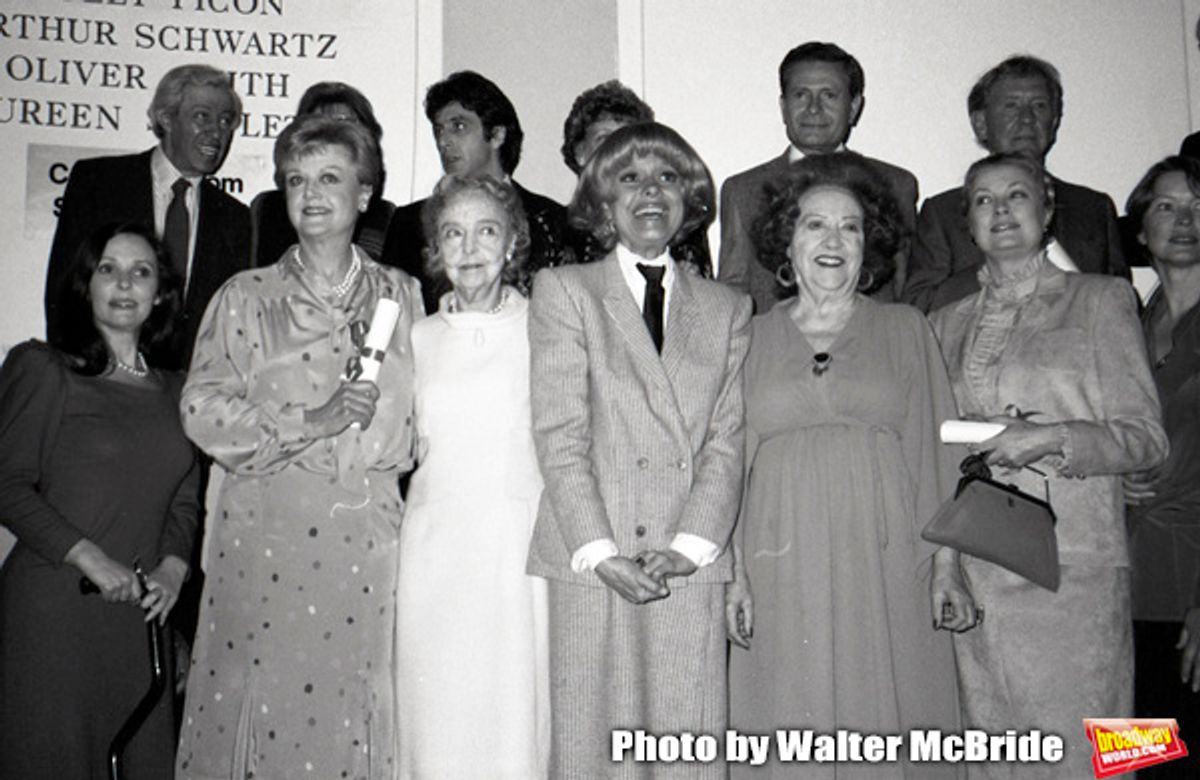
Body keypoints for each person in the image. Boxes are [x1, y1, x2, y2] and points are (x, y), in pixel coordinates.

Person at [174, 115, 423, 780]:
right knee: (263, 710)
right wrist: (309, 420)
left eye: (330, 177)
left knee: (355, 706)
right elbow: (201, 411)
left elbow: (429, 421)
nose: (310, 193)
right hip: (267, 539)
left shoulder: (405, 295)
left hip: (369, 543)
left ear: (365, 193)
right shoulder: (245, 297)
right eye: (295, 179)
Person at [929, 152, 1166, 778]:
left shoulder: (1103, 300)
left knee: (1087, 758)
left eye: (1017, 196)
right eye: (983, 200)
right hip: (979, 576)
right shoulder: (941, 325)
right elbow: (939, 461)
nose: (1001, 211)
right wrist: (946, 569)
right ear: (967, 221)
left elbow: (1145, 440)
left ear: (1048, 207)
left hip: (1072, 574)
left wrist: (1051, 438)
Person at [725, 153, 960, 778]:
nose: (833, 241)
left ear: (869, 246)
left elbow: (937, 451)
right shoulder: (746, 336)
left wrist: (946, 567)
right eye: (814, 225)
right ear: (786, 241)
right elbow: (729, 468)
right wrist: (735, 574)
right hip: (780, 559)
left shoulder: (907, 328)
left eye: (850, 227)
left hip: (886, 557)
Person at [527, 121, 751, 778]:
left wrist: (689, 546)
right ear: (602, 201)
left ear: (690, 199)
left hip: (686, 558)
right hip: (593, 555)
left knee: (685, 745)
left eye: (667, 178)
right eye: (629, 179)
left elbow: (726, 441)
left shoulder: (728, 306)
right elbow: (559, 435)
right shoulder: (565, 292)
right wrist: (600, 552)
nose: (650, 193)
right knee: (592, 746)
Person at [0, 223, 199, 780]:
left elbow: (185, 499)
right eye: (107, 269)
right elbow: (6, 483)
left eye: (141, 272)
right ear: (85, 285)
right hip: (56, 610)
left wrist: (174, 569)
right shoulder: (43, 368)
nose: (124, 284)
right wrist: (89, 557)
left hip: (140, 618)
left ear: (161, 293)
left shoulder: (179, 389)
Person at [395, 175, 549, 778]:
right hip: (435, 556)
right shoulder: (415, 337)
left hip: (517, 554)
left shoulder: (546, 330)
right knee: (437, 712)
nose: (469, 248)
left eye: (486, 231)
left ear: (512, 242)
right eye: (452, 234)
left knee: (513, 715)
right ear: (435, 248)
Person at [44, 63, 251, 371]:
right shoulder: (98, 183)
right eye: (201, 117)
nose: (216, 132)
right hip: (97, 379)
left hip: (186, 395)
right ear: (166, 118)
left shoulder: (236, 218)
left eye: (225, 121)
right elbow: (64, 289)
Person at [904, 55, 1127, 312]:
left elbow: (1122, 309)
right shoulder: (944, 213)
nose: (1027, 118)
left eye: (1039, 106)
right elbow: (919, 308)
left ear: (1054, 122)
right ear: (981, 123)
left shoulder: (1093, 209)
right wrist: (1003, 263)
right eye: (1011, 106)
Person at [718, 41, 918, 310]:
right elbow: (732, 293)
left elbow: (904, 286)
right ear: (783, 106)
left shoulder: (895, 185)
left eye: (829, 95)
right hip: (774, 346)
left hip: (870, 346)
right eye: (801, 95)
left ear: (855, 106)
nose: (813, 108)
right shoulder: (743, 190)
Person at [1123, 156, 1200, 777]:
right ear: (1141, 227)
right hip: (1127, 589)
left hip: (1194, 584)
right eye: (1167, 206)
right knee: (1139, 762)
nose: (1185, 220)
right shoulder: (1125, 322)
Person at [381, 70, 569, 312]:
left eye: (458, 126)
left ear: (497, 135)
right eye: (438, 130)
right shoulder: (408, 223)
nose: (443, 141)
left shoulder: (551, 220)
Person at [560, 80, 712, 276]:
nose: (618, 151)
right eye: (605, 139)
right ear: (579, 152)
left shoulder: (678, 226)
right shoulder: (557, 229)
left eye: (627, 140)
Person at [251, 81, 396, 265]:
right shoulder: (269, 209)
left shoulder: (386, 216)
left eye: (346, 125)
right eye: (319, 126)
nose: (332, 136)